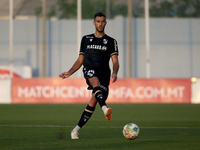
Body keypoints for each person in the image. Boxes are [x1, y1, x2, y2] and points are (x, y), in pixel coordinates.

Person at [59, 12, 119, 139]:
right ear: (94, 23)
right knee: (95, 81)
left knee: (92, 102)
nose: (100, 24)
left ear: (105, 23)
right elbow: (80, 60)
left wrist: (115, 72)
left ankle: (75, 130)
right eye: (98, 21)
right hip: (90, 69)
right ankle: (105, 109)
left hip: (104, 74)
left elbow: (115, 61)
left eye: (102, 21)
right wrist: (69, 72)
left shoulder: (111, 41)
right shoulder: (86, 39)